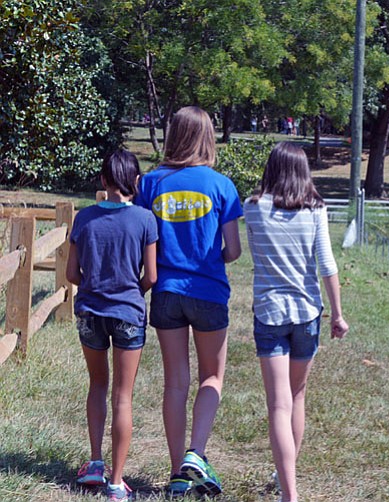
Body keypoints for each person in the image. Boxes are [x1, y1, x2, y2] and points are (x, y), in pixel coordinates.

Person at [135, 106, 243, 498]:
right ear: (208, 137)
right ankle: (196, 454)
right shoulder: (221, 185)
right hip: (209, 292)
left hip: (165, 292)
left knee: (175, 381)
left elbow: (141, 239)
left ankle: (176, 470)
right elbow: (234, 250)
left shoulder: (150, 184)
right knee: (212, 377)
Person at [243, 142, 349, 502]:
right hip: (307, 315)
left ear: (271, 169)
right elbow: (327, 264)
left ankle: (289, 491)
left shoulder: (253, 208)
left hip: (269, 314)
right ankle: (285, 478)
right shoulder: (316, 210)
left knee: (278, 404)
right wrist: (337, 314)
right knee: (297, 395)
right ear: (304, 172)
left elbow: (256, 255)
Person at [67, 149, 158, 502]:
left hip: (90, 310)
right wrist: (133, 289)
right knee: (123, 396)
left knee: (97, 385)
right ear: (136, 181)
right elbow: (150, 276)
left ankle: (94, 463)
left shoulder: (84, 218)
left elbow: (71, 273)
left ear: (103, 181)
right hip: (128, 313)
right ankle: (117, 483)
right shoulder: (145, 220)